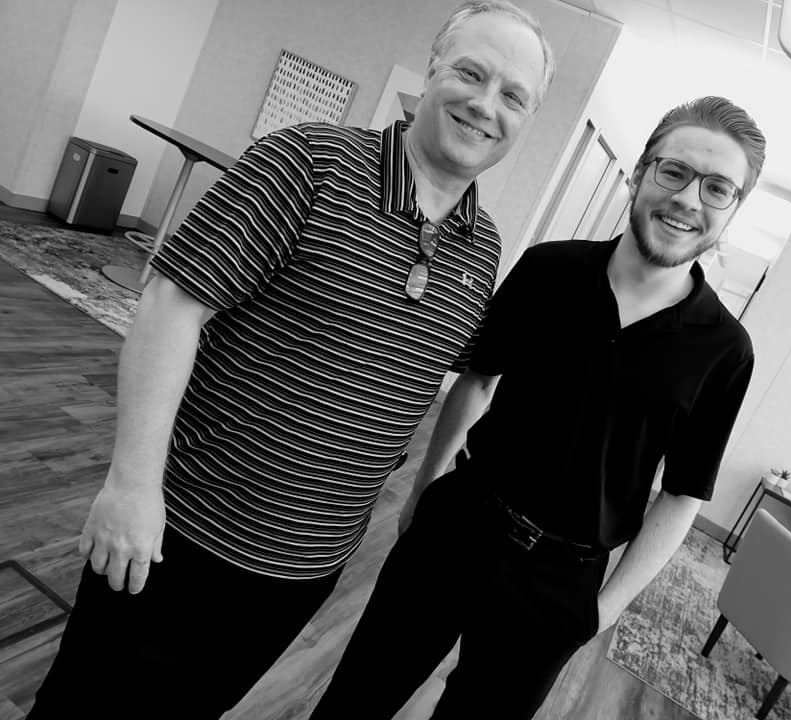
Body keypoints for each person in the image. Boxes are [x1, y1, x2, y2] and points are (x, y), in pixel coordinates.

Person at [27, 3, 554, 718]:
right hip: (182, 533)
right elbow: (170, 304)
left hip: (304, 572)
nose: (486, 105)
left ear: (529, 118)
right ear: (432, 71)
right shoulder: (308, 162)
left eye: (514, 95)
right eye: (471, 73)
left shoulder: (482, 247)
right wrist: (131, 486)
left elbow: (421, 383)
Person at [312, 95, 767, 720]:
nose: (689, 199)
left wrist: (602, 611)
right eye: (675, 171)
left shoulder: (726, 351)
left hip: (560, 584)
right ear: (640, 173)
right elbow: (478, 381)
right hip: (458, 527)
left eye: (717, 188)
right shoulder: (549, 268)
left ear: (732, 209)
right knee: (352, 703)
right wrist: (424, 490)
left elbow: (682, 495)